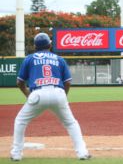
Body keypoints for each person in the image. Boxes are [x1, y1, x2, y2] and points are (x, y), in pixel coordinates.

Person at [10, 33, 91, 161]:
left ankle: (16, 154)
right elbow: (68, 82)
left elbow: (19, 82)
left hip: (37, 94)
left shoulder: (29, 59)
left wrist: (28, 95)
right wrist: (63, 96)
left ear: (35, 46)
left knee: (20, 121)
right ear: (49, 44)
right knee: (71, 123)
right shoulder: (59, 59)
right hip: (58, 92)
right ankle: (82, 152)